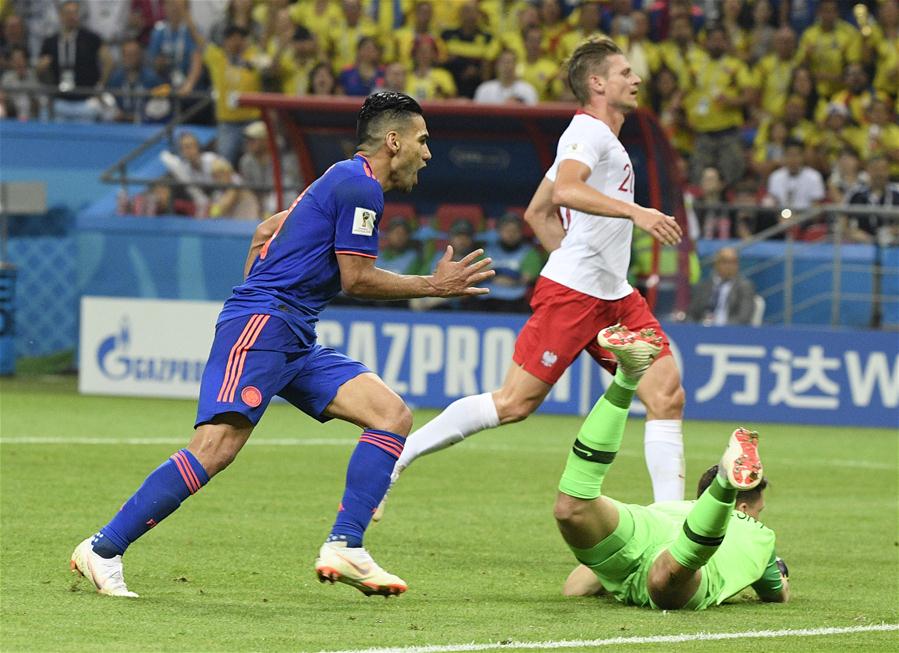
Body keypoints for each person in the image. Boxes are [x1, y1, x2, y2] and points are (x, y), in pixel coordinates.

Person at [69, 92, 494, 599]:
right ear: (394, 140)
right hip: (266, 326)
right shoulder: (361, 187)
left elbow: (266, 230)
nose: (428, 153)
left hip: (292, 332)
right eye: (423, 141)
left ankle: (346, 546)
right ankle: (103, 549)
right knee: (215, 448)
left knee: (391, 414)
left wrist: (270, 289)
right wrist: (432, 285)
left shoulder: (341, 177)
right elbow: (356, 279)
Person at [380, 38, 685, 519]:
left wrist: (578, 257)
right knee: (514, 403)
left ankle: (674, 520)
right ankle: (398, 458)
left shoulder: (602, 140)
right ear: (597, 82)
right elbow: (566, 189)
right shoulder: (586, 132)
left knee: (666, 394)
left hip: (614, 294)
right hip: (575, 295)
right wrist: (636, 213)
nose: (637, 79)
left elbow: (539, 212)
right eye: (625, 72)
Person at [555, 328, 787, 609]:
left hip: (647, 527)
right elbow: (777, 595)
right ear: (745, 510)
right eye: (759, 512)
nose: (759, 518)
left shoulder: (672, 508)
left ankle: (627, 376)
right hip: (688, 554)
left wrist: (609, 572)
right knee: (665, 579)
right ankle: (726, 483)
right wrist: (781, 574)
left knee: (571, 509)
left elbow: (574, 588)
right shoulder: (760, 536)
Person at [687, 247, 756, 326]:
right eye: (725, 262)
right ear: (716, 264)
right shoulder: (704, 286)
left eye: (733, 262)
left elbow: (743, 317)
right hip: (703, 330)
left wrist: (721, 327)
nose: (729, 266)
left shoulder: (745, 287)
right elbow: (692, 313)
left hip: (730, 332)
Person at [473, 48, 538, 105]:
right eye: (504, 62)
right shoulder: (485, 89)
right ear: (497, 65)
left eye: (511, 62)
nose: (507, 65)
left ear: (516, 65)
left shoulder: (527, 90)